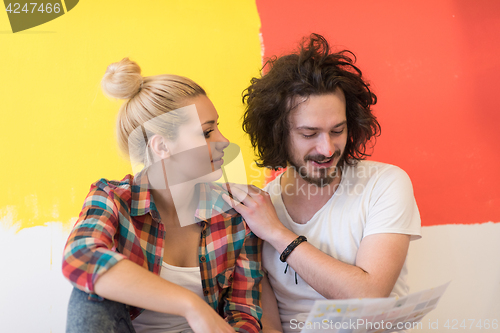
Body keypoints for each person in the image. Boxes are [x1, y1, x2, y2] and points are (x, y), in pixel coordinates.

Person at [222, 34, 422, 333]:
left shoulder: (385, 183)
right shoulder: (260, 208)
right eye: (308, 133)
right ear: (278, 133)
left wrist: (278, 233)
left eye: (337, 130)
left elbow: (368, 298)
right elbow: (268, 321)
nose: (327, 149)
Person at [62, 58, 263, 333]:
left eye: (217, 127)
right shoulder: (112, 199)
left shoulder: (235, 212)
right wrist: (191, 305)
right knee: (87, 297)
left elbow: (245, 314)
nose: (224, 141)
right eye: (206, 132)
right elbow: (81, 257)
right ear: (161, 146)